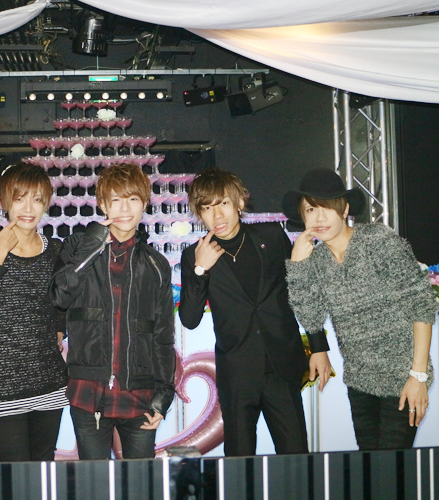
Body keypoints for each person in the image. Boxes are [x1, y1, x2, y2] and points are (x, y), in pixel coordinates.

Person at [179, 168, 331, 456]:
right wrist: (200, 270)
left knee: (296, 458)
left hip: (281, 367)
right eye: (207, 208)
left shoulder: (271, 236)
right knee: (239, 463)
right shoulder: (194, 255)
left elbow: (300, 293)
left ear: (239, 202)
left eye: (224, 203)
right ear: (199, 213)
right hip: (237, 374)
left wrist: (319, 346)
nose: (217, 215)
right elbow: (189, 319)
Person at [283, 168, 437, 450]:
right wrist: (298, 267)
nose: (319, 218)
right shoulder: (316, 260)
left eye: (327, 207)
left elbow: (422, 307)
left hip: (403, 377)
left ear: (344, 210)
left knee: (392, 468)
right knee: (369, 468)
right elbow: (311, 316)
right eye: (311, 209)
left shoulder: (379, 241)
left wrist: (418, 376)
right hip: (360, 381)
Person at [49, 162, 175, 460]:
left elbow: (162, 336)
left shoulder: (156, 264)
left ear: (145, 202)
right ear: (103, 204)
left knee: (142, 481)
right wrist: (92, 244)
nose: (125, 208)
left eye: (133, 199)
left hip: (140, 393)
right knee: (94, 482)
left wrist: (163, 395)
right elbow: (59, 296)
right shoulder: (77, 246)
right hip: (88, 391)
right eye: (116, 199)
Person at [0, 162, 68, 462]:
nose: (28, 208)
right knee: (15, 474)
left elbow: (62, 301)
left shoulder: (55, 249)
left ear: (46, 203)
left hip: (49, 381)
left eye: (37, 199)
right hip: (6, 386)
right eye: (20, 199)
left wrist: (60, 329)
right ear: (6, 202)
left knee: (44, 469)